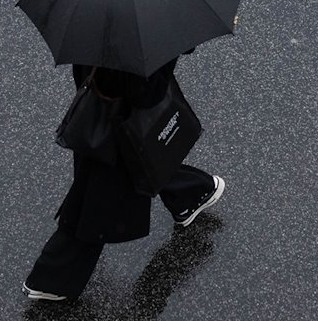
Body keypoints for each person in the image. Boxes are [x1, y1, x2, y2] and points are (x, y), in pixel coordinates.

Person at [22, 54, 225, 301]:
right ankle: (51, 281)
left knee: (120, 176)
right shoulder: (137, 47)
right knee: (94, 207)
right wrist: (169, 58)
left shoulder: (95, 26)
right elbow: (147, 94)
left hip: (93, 120)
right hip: (117, 134)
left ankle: (190, 194)